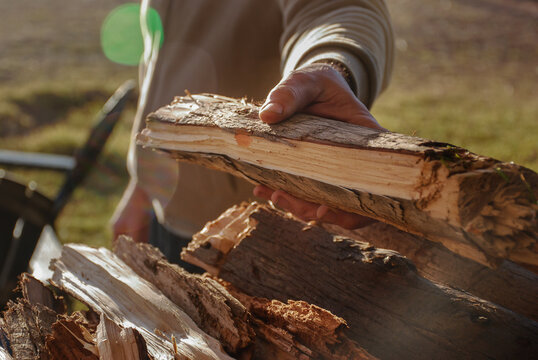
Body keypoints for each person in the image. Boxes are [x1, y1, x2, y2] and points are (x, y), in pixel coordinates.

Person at [111, 0, 394, 269]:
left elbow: (342, 12)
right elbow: (167, 58)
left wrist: (330, 65)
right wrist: (143, 185)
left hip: (259, 233)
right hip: (166, 216)